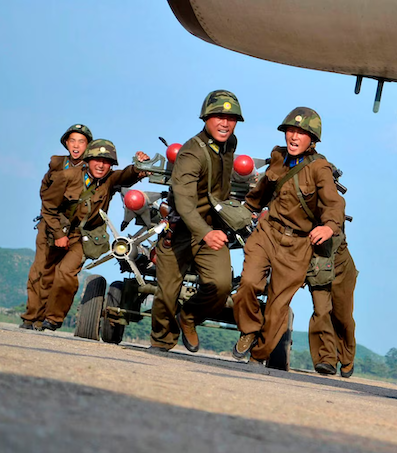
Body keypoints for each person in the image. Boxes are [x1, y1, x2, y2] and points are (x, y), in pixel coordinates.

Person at [233, 107, 343, 364]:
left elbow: (334, 203)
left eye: (301, 133)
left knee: (277, 307)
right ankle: (248, 329)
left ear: (312, 140)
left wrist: (328, 226)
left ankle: (258, 356)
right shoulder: (278, 156)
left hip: (298, 244)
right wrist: (247, 209)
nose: (294, 137)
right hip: (268, 231)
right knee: (247, 283)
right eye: (290, 131)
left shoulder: (319, 168)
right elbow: (261, 190)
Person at [149, 90, 243, 352]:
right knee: (166, 295)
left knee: (222, 285)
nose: (225, 123)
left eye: (231, 118)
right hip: (181, 230)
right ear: (205, 118)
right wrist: (204, 232)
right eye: (218, 117)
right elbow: (184, 201)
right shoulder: (192, 153)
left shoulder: (229, 143)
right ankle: (161, 343)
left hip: (211, 227)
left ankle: (188, 318)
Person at [39, 139, 146, 331]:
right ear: (87, 160)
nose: (101, 165)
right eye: (96, 159)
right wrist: (57, 234)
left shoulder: (110, 180)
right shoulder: (66, 177)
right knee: (45, 275)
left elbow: (126, 176)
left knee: (66, 273)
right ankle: (33, 317)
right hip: (60, 231)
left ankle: (53, 319)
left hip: (85, 237)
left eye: (106, 161)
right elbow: (48, 207)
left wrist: (138, 167)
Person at [20, 124, 93, 330]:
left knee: (62, 275)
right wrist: (55, 227)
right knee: (39, 271)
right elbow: (45, 194)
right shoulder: (56, 165)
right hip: (49, 224)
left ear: (88, 145)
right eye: (72, 141)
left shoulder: (92, 168)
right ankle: (31, 317)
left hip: (76, 230)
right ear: (66, 143)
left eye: (81, 141)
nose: (76, 145)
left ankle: (47, 318)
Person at [308, 194, 358, 377]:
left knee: (342, 316)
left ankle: (346, 355)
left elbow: (336, 215)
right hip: (316, 266)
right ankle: (326, 359)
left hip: (341, 266)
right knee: (321, 311)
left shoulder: (335, 201)